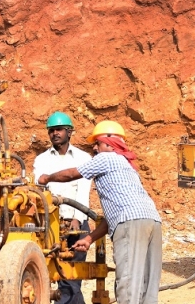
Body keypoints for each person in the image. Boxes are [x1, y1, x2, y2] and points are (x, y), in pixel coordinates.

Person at [39, 120, 162, 304]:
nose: (95, 148)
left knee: (128, 283)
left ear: (110, 144)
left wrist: (47, 178)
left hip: (131, 224)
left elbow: (72, 174)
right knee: (147, 285)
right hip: (153, 221)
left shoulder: (106, 158)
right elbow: (116, 216)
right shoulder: (128, 167)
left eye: (97, 143)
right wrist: (89, 239)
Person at [32, 111, 93, 304]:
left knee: (72, 276)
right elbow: (37, 189)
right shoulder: (42, 160)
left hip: (77, 223)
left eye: (58, 129)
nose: (54, 133)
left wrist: (77, 218)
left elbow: (83, 190)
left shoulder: (83, 158)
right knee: (53, 272)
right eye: (51, 130)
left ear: (69, 132)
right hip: (50, 225)